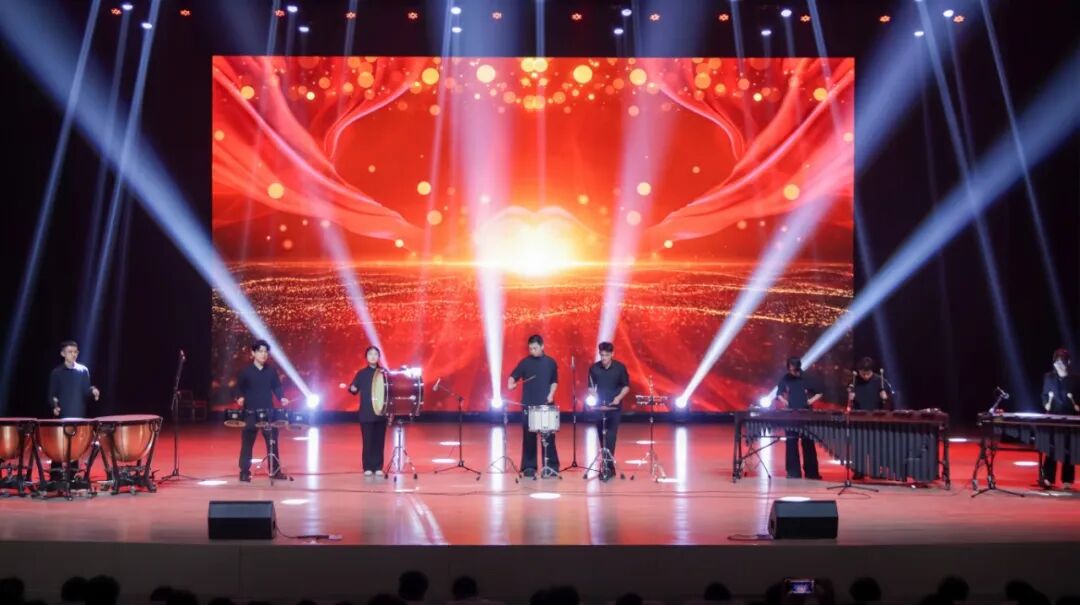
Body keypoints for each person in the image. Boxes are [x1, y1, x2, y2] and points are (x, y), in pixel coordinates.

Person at [235, 339, 290, 482]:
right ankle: (244, 472)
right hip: (251, 413)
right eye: (260, 351)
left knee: (272, 442)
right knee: (247, 443)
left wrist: (282, 397)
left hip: (268, 413)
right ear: (253, 353)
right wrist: (239, 397)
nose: (263, 354)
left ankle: (275, 471)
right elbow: (238, 388)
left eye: (266, 352)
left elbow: (277, 387)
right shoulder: (246, 372)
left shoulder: (271, 371)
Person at [508, 334, 559, 478]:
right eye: (530, 348)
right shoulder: (525, 362)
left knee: (548, 437)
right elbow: (513, 377)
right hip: (528, 405)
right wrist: (510, 384)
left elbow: (554, 381)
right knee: (529, 437)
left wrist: (551, 394)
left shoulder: (550, 362)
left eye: (535, 348)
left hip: (546, 403)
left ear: (542, 346)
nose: (532, 351)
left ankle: (551, 466)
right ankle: (529, 466)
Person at [587, 341, 630, 481]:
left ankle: (608, 468)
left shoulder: (620, 368)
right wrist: (594, 396)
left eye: (606, 355)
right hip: (599, 408)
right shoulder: (594, 368)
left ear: (612, 354)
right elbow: (590, 387)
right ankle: (605, 467)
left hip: (614, 408)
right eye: (602, 355)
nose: (604, 358)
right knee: (602, 438)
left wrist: (618, 398)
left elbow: (626, 386)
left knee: (610, 438)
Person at [775, 357, 822, 479]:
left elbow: (819, 392)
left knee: (808, 443)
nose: (794, 372)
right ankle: (793, 472)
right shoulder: (785, 378)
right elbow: (778, 394)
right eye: (791, 370)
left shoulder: (807, 377)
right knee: (791, 442)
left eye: (795, 370)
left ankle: (811, 472)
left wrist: (809, 401)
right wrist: (785, 402)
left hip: (806, 414)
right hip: (791, 414)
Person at [1040, 348, 1077, 490]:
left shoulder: (1075, 379)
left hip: (1070, 418)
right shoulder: (1049, 377)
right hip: (1054, 417)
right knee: (1052, 448)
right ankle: (1048, 478)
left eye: (1061, 363)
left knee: (1069, 448)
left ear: (1068, 362)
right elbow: (1044, 395)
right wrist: (1046, 403)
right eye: (1056, 363)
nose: (1058, 366)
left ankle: (1067, 479)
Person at [349, 346, 388, 477]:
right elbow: (354, 388)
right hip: (366, 413)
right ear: (366, 357)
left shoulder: (384, 373)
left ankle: (378, 466)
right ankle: (367, 466)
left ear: (379, 357)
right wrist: (352, 388)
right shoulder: (361, 373)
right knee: (368, 441)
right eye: (370, 354)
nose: (373, 356)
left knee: (379, 441)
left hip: (381, 412)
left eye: (375, 354)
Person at [48, 340, 100, 417]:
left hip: (80, 416)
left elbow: (86, 392)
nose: (73, 354)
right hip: (63, 417)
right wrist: (55, 406)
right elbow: (52, 395)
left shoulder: (83, 370)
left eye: (75, 352)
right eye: (70, 352)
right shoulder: (56, 373)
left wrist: (93, 391)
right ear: (62, 354)